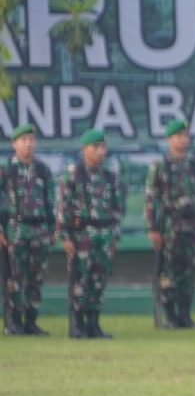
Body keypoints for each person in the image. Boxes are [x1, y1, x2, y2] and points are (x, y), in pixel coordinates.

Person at [58, 129, 125, 339]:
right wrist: (65, 236)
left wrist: (115, 236)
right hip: (81, 236)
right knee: (80, 280)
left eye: (102, 147)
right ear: (84, 149)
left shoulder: (110, 176)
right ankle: (77, 325)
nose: (99, 151)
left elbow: (117, 209)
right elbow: (63, 206)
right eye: (95, 147)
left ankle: (93, 324)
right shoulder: (73, 174)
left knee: (99, 280)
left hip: (104, 235)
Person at [145, 119, 195, 329]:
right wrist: (153, 228)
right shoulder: (160, 166)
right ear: (169, 139)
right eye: (178, 136)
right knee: (169, 273)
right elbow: (151, 199)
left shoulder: (194, 165)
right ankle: (171, 316)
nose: (183, 139)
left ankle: (185, 315)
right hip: (169, 227)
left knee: (189, 273)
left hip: (192, 227)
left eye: (185, 135)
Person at [3, 124, 55, 336]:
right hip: (16, 229)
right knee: (15, 278)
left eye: (31, 140)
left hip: (40, 229)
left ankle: (31, 321)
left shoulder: (42, 169)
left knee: (36, 278)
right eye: (23, 140)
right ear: (14, 144)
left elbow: (50, 201)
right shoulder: (6, 169)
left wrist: (52, 229)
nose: (28, 144)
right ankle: (13, 322)